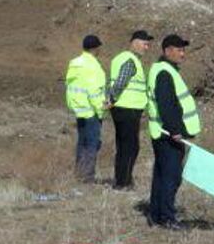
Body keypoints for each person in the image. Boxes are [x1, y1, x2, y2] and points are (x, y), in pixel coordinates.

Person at [146, 35, 200, 229]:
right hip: (168, 135)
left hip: (162, 133)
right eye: (179, 49)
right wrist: (175, 130)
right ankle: (167, 218)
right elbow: (166, 104)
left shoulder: (164, 70)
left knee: (162, 175)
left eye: (183, 50)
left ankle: (156, 216)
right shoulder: (164, 73)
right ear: (167, 51)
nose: (183, 53)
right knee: (171, 176)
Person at [107, 29, 153, 189]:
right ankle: (123, 183)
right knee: (130, 147)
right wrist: (111, 98)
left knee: (124, 146)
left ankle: (122, 180)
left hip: (124, 108)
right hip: (127, 108)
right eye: (145, 44)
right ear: (134, 42)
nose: (147, 48)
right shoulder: (130, 60)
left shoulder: (121, 58)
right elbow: (120, 82)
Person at [64, 34, 108, 182]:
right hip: (91, 111)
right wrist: (101, 110)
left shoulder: (75, 63)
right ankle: (87, 177)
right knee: (92, 144)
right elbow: (94, 91)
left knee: (81, 143)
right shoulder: (93, 66)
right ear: (96, 49)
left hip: (79, 110)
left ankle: (78, 174)